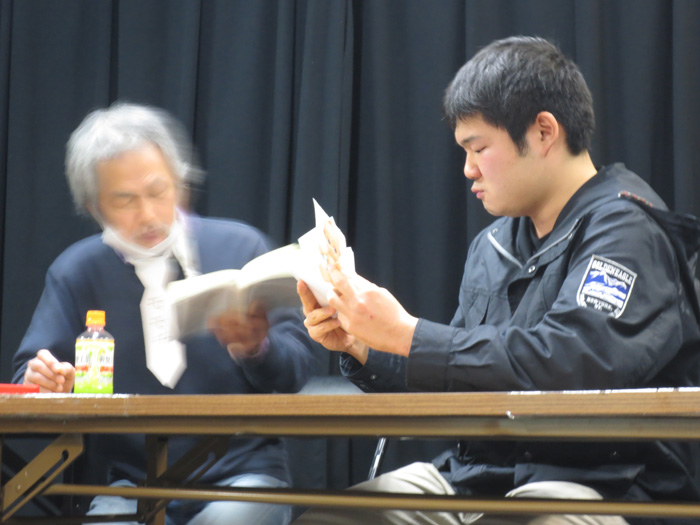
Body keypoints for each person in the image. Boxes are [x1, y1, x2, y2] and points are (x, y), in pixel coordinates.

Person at [294, 36, 700, 525]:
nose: (468, 169)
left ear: (544, 131)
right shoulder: (492, 245)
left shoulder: (628, 230)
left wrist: (408, 334)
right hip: (478, 478)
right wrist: (366, 345)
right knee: (333, 518)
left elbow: (571, 363)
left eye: (479, 148)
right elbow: (459, 379)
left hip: (598, 483)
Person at [12, 102, 316, 525]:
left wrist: (256, 348)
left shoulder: (241, 248)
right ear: (94, 206)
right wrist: (44, 382)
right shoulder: (77, 271)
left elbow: (296, 373)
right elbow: (26, 380)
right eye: (125, 200)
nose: (148, 215)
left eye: (158, 191)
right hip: (130, 485)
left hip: (243, 476)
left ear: (181, 184)